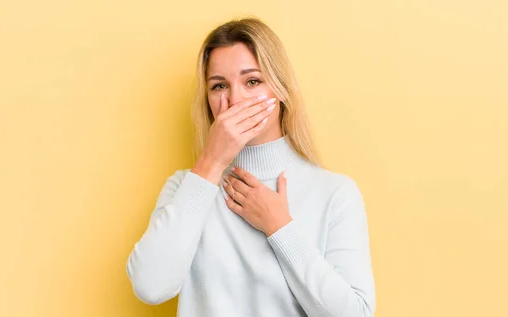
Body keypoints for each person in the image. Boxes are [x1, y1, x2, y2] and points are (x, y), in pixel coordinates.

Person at [126, 17, 376, 317]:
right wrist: (211, 162)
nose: (235, 100)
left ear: (280, 90)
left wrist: (279, 226)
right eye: (219, 86)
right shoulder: (186, 187)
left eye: (252, 81)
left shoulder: (334, 192)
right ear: (207, 100)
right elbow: (150, 286)